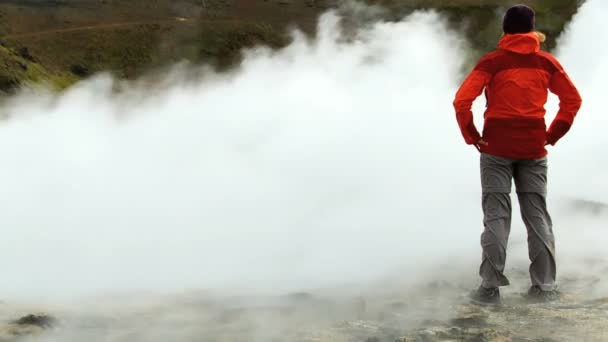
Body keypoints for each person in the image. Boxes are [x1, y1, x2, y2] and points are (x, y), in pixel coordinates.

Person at [453, 5, 582, 305]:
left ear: (505, 30)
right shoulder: (546, 62)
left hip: (496, 147)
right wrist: (552, 135)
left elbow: (462, 102)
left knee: (497, 214)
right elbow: (572, 100)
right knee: (537, 214)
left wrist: (472, 136)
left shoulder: (492, 62)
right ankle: (544, 287)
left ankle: (489, 289)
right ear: (531, 30)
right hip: (533, 147)